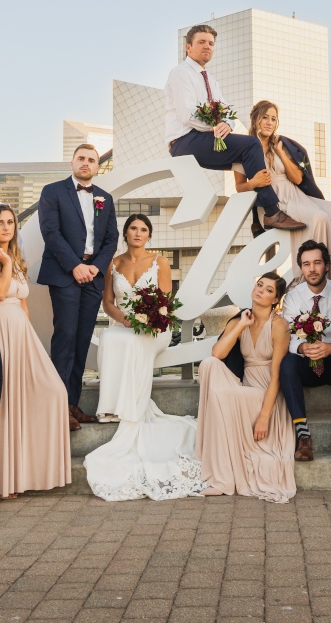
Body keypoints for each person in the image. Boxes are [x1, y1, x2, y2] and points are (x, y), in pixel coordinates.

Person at [84, 214, 205, 501]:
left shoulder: (159, 262)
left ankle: (132, 408)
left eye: (143, 229)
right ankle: (111, 407)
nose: (138, 233)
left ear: (148, 235)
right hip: (124, 324)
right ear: (125, 234)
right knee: (110, 338)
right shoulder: (114, 263)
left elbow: (164, 301)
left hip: (155, 327)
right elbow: (108, 303)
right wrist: (124, 320)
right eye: (133, 229)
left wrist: (148, 320)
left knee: (137, 343)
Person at [0, 205, 72, 500]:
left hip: (20, 334)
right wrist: (7, 265)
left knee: (53, 392)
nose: (7, 227)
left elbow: (22, 303)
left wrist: (30, 338)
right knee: (2, 402)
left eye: (10, 222)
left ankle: (28, 471)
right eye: (0, 222)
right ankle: (1, 480)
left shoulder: (14, 257)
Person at [165, 24, 305, 231]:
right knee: (250, 145)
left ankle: (257, 221)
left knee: (248, 158)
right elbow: (188, 116)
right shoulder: (180, 73)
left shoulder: (211, 80)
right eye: (201, 42)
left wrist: (226, 125)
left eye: (211, 43)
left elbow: (227, 112)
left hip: (205, 139)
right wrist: (216, 126)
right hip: (185, 141)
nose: (207, 47)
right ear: (188, 47)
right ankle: (272, 212)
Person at [36, 144, 118, 430]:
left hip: (93, 277)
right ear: (72, 162)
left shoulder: (105, 199)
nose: (86, 163)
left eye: (91, 160)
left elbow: (111, 238)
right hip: (65, 273)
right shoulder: (53, 192)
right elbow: (50, 232)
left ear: (97, 167)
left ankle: (72, 404)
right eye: (81, 158)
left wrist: (96, 267)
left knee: (82, 340)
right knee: (65, 338)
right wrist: (75, 266)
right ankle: (58, 407)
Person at [194, 273, 296, 503]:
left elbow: (278, 375)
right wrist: (241, 325)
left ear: (275, 299)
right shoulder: (239, 319)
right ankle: (218, 470)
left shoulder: (279, 325)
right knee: (209, 365)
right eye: (260, 285)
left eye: (269, 289)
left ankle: (223, 479)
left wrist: (264, 416)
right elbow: (217, 354)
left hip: (266, 395)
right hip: (245, 388)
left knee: (225, 394)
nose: (261, 290)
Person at [278, 241, 331, 462]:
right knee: (287, 363)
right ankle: (303, 437)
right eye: (306, 264)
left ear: (327, 265)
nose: (312, 269)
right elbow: (286, 338)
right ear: (301, 268)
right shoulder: (294, 297)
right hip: (307, 365)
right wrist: (302, 347)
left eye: (317, 263)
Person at [233, 100, 331, 255]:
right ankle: (308, 269)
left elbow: (297, 179)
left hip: (295, 195)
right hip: (273, 203)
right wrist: (254, 183)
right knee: (319, 218)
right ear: (256, 120)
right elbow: (239, 186)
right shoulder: (244, 149)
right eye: (265, 117)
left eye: (273, 119)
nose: (269, 122)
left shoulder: (281, 145)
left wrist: (281, 153)